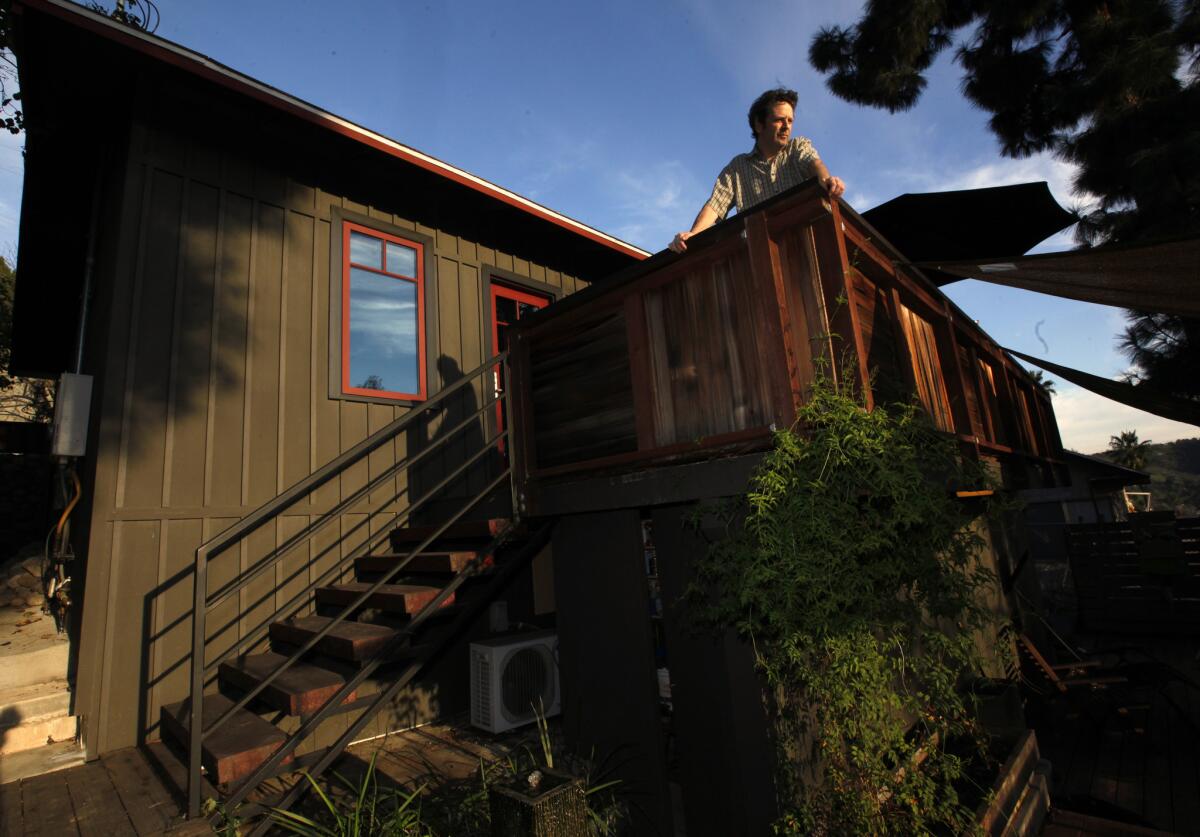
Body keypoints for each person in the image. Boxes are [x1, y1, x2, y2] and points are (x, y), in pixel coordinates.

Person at [669, 88, 845, 253]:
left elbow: (814, 164)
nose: (786, 126)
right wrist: (694, 235)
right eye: (779, 120)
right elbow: (715, 205)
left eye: (790, 120)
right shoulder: (737, 167)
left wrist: (827, 181)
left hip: (805, 247)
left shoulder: (797, 147)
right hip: (763, 255)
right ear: (759, 125)